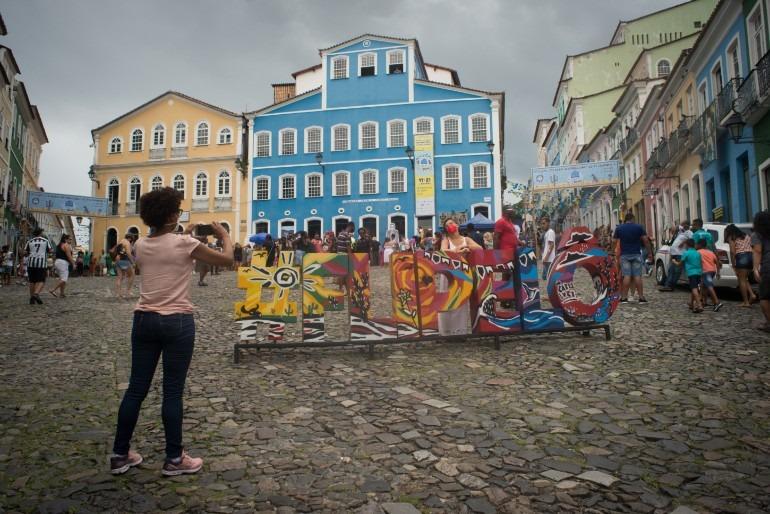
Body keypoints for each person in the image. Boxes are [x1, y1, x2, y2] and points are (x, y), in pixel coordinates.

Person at [110, 187, 234, 476]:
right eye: (177, 210)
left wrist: (183, 233)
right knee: (172, 391)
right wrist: (224, 235)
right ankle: (174, 459)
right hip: (177, 320)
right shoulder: (185, 243)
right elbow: (227, 259)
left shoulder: (139, 244)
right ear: (169, 215)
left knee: (135, 389)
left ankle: (119, 454)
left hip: (143, 319)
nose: (179, 213)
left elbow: (163, 251)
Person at [613, 212, 654, 303]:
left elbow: (614, 241)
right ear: (632, 219)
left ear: (626, 219)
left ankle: (624, 298)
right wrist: (650, 253)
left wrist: (613, 251)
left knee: (626, 275)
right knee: (637, 276)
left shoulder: (619, 228)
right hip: (636, 254)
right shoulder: (639, 227)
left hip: (624, 255)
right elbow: (646, 241)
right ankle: (641, 297)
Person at [725, 223, 757, 307]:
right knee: (744, 278)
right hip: (751, 256)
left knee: (741, 280)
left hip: (742, 256)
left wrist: (733, 264)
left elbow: (732, 252)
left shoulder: (732, 237)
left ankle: (746, 302)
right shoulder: (746, 235)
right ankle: (752, 295)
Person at [659, 220, 692, 292]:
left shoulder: (689, 232)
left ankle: (671, 286)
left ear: (687, 225)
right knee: (671, 270)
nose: (681, 225)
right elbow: (673, 229)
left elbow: (692, 239)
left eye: (683, 224)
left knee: (676, 271)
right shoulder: (681, 231)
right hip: (674, 253)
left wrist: (684, 242)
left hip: (680, 253)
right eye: (681, 224)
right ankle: (667, 285)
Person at [752, 210, 770, 332]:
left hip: (768, 266)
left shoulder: (757, 235)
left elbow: (757, 251)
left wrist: (755, 268)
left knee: (765, 296)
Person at [24, 228, 52, 304]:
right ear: (41, 233)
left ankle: (32, 298)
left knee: (32, 281)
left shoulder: (29, 241)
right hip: (41, 263)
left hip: (31, 263)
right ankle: (36, 294)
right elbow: (50, 250)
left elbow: (25, 252)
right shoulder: (45, 241)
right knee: (41, 280)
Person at [675, 239, 703, 313]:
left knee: (694, 288)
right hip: (699, 273)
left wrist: (674, 261)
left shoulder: (686, 253)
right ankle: (691, 304)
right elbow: (701, 263)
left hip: (691, 273)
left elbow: (679, 264)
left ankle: (699, 305)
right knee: (695, 288)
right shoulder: (698, 253)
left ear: (687, 245)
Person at [697, 238, 723, 311]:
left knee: (709, 286)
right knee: (703, 286)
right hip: (712, 271)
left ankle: (717, 302)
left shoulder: (698, 252)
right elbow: (717, 262)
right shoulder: (711, 252)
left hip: (705, 271)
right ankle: (704, 301)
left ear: (699, 245)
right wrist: (718, 272)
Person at [112, 233, 136, 298]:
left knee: (120, 277)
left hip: (117, 259)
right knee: (132, 275)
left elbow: (116, 250)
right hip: (124, 260)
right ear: (130, 238)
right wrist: (133, 262)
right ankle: (128, 292)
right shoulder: (127, 243)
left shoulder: (120, 241)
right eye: (131, 240)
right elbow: (128, 253)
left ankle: (118, 294)